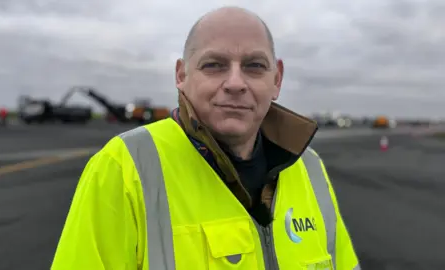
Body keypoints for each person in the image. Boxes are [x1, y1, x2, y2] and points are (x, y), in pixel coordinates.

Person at [51, 6, 360, 270]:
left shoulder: (310, 169)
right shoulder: (123, 167)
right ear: (181, 76)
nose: (236, 83)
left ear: (276, 79)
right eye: (214, 65)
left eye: (255, 66)